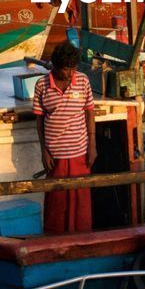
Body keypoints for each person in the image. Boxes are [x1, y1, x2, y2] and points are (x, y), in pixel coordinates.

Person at [33, 42, 96, 234]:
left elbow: (89, 113)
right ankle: (55, 240)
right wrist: (44, 151)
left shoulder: (83, 81)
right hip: (55, 155)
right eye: (66, 69)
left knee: (81, 201)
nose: (70, 74)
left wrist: (92, 145)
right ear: (55, 66)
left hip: (80, 152)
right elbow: (39, 120)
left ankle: (83, 239)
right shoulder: (42, 85)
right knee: (57, 201)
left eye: (73, 69)